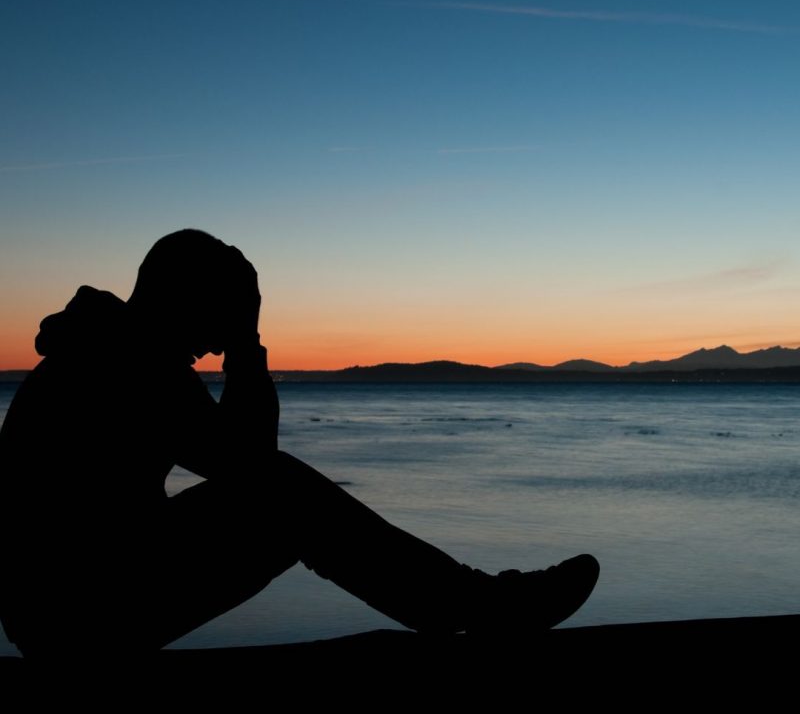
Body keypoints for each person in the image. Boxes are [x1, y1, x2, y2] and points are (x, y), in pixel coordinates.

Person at [0, 229, 599, 659]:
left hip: (67, 600)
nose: (213, 344)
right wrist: (248, 344)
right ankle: (478, 607)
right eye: (221, 314)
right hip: (76, 615)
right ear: (187, 298)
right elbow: (251, 463)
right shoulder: (126, 361)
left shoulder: (112, 349)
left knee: (278, 491)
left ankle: (470, 603)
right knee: (282, 492)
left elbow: (240, 460)